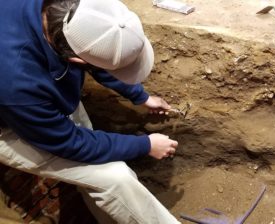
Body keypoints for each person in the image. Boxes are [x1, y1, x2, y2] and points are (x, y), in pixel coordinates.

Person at [0, 0, 181, 223]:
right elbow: (71, 143)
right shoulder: (18, 83)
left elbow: (95, 49)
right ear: (74, 59)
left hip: (40, 98)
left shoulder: (73, 11)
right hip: (10, 126)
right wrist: (145, 145)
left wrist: (139, 96)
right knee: (115, 178)